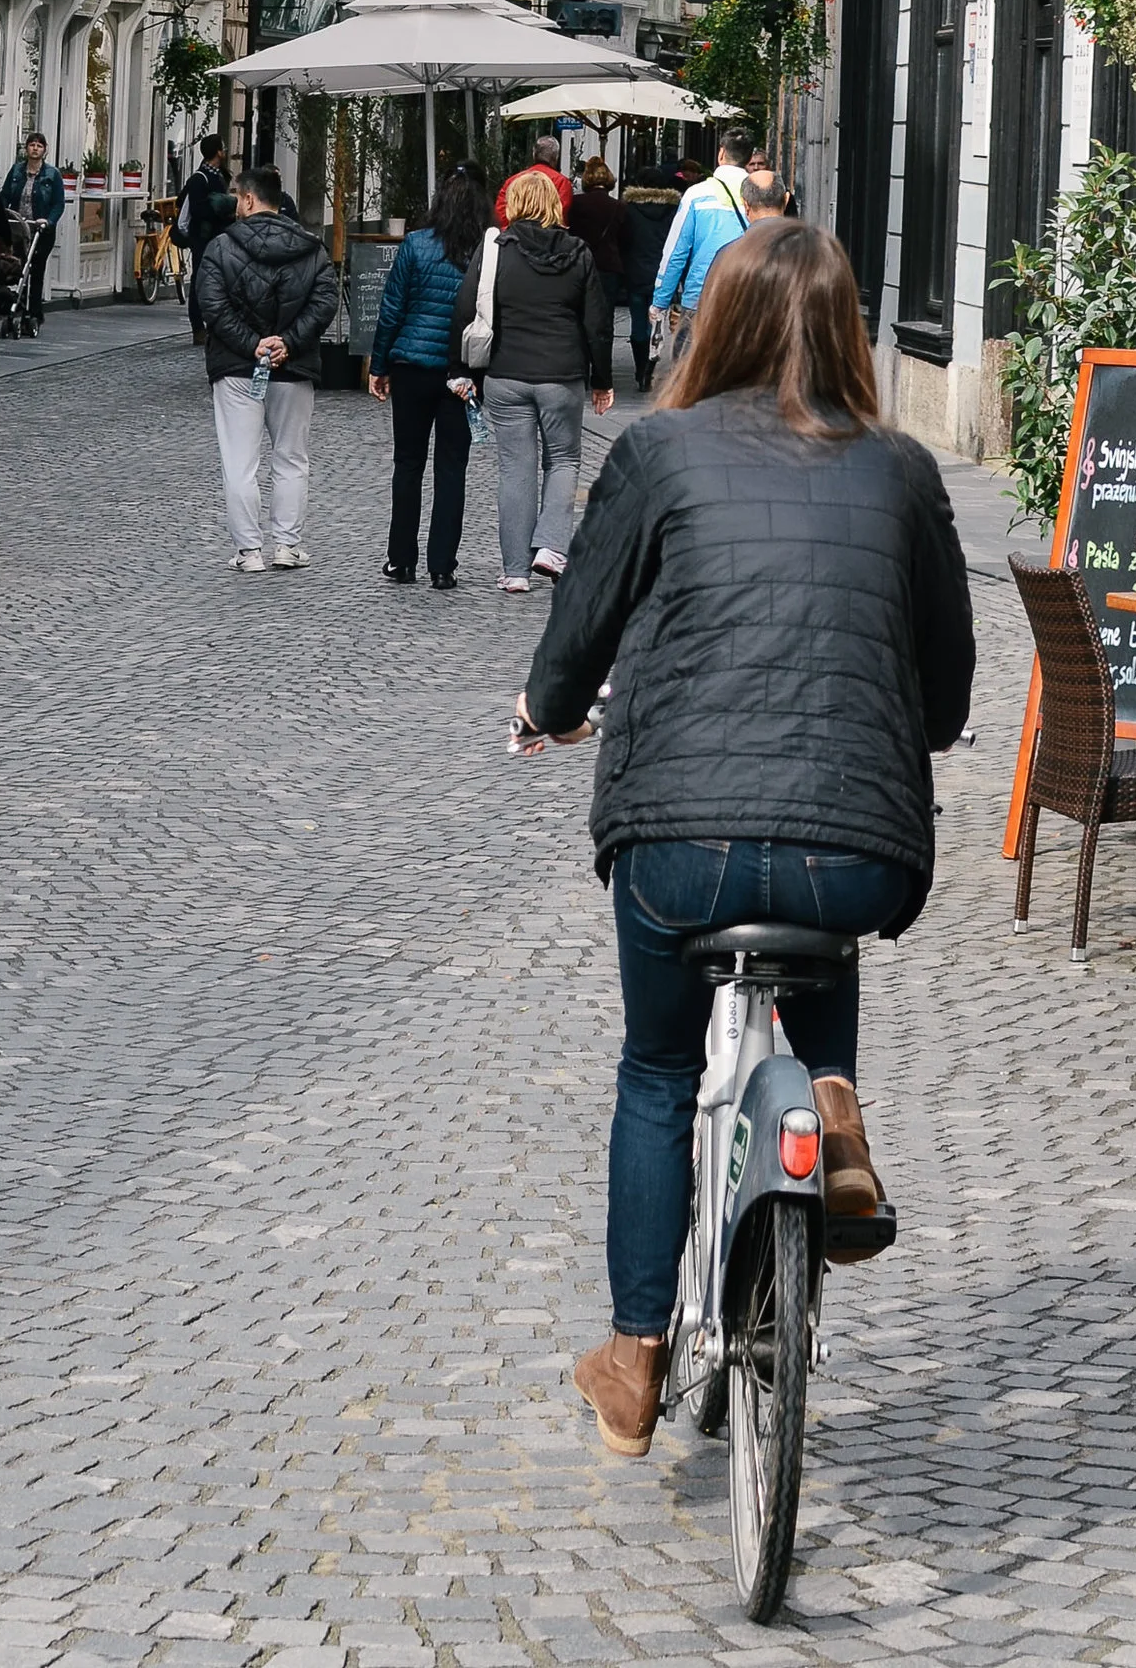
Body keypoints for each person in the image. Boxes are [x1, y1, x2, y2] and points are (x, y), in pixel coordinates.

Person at [516, 220, 974, 1458]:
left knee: (661, 1069)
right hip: (853, 848)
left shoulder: (658, 451)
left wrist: (544, 712)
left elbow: (582, 626)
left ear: (714, 320)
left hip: (680, 841)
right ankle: (831, 1106)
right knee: (821, 920)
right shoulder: (903, 468)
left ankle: (634, 1353)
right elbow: (948, 695)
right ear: (848, 329)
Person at [454, 166, 614, 593]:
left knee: (515, 469)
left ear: (514, 205)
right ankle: (550, 547)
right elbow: (597, 322)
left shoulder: (495, 251)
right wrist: (602, 379)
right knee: (563, 460)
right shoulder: (578, 252)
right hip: (562, 376)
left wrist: (462, 371)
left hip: (506, 375)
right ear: (555, 205)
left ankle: (515, 571)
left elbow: (465, 309)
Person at [191, 167, 341, 571]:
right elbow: (325, 302)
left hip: (237, 367)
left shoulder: (221, 248)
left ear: (249, 200)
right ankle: (287, 546)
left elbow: (212, 306)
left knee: (240, 461)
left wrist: (250, 343)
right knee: (291, 457)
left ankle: (249, 551)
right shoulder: (312, 248)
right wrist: (288, 341)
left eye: (237, 196)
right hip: (292, 367)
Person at [366, 166, 493, 590]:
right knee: (452, 468)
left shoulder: (416, 245)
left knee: (408, 464)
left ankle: (400, 559)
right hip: (462, 373)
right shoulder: (485, 253)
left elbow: (391, 311)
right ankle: (443, 565)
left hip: (412, 368)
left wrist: (379, 365)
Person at [649, 125, 754, 367]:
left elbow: (676, 252)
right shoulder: (758, 196)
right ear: (749, 158)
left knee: (688, 379)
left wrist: (660, 301)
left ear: (720, 153)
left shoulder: (697, 194)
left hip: (700, 299)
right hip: (746, 301)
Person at [568, 159, 648, 393]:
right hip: (608, 268)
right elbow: (627, 240)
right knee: (605, 323)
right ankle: (604, 373)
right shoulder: (619, 207)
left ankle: (580, 371)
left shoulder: (575, 204)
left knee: (579, 318)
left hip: (578, 265)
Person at [174, 133, 239, 346]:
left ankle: (213, 325)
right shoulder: (199, 179)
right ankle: (197, 327)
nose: (226, 152)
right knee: (199, 282)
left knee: (219, 281)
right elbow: (197, 209)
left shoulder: (220, 176)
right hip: (202, 238)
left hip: (218, 237)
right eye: (223, 148)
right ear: (218, 152)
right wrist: (221, 208)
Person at [0, 130, 66, 333]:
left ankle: (35, 312)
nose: (35, 148)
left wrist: (49, 221)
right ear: (26, 148)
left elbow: (58, 203)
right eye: (31, 145)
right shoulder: (17, 171)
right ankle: (16, 306)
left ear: (44, 150)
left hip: (40, 230)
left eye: (39, 145)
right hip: (20, 227)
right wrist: (2, 216)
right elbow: (5, 195)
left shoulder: (52, 175)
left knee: (36, 270)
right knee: (19, 268)